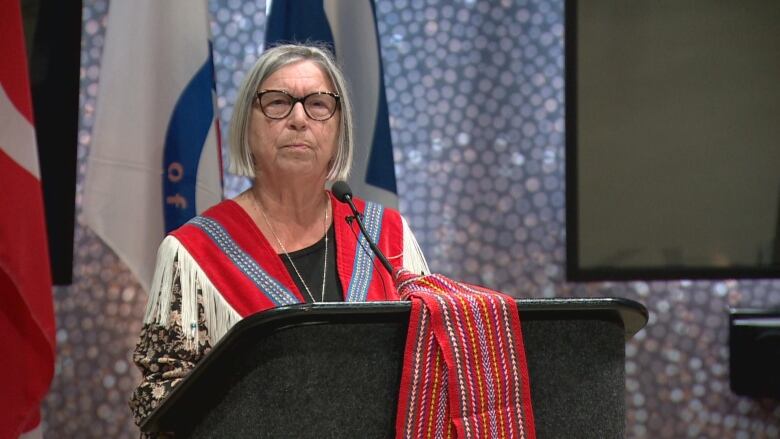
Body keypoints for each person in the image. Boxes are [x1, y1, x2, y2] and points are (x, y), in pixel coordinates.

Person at [129, 44, 428, 426]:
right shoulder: (193, 254)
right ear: (246, 125)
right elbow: (162, 402)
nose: (299, 119)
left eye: (318, 104)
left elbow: (429, 365)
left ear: (339, 128)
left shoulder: (387, 236)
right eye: (277, 102)